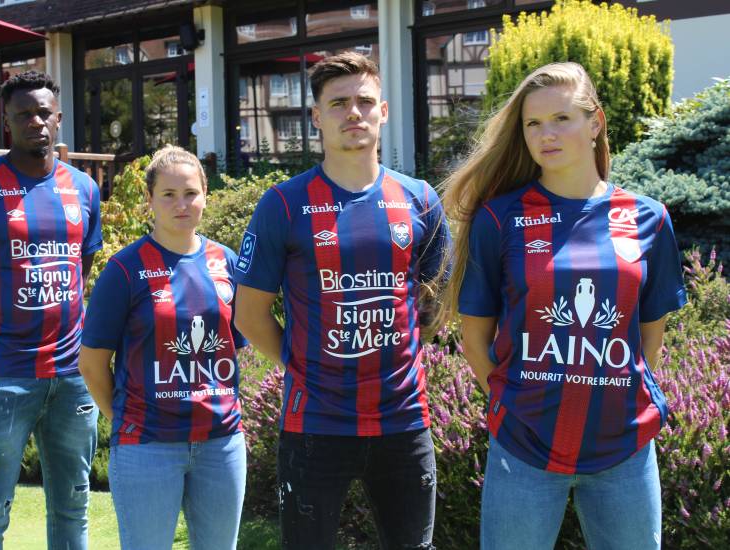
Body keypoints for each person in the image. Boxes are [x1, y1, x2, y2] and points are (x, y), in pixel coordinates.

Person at [441, 62, 687, 549]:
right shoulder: (500, 217)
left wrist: (608, 391)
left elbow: (649, 336)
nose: (544, 135)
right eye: (533, 124)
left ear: (595, 123)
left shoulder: (648, 219)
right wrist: (515, 408)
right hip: (523, 449)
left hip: (625, 449)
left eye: (561, 119)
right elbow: (474, 340)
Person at [234, 51, 450, 550]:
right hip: (316, 424)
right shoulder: (284, 203)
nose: (353, 113)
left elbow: (437, 302)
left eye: (364, 101)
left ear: (384, 111)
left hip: (404, 421)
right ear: (315, 116)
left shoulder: (419, 200)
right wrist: (301, 362)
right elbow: (249, 312)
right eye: (338, 103)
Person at [0, 71, 102, 549]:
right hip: (2, 376)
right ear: (7, 122)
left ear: (59, 118)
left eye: (44, 113)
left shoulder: (84, 190)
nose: (36, 122)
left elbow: (80, 271)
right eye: (24, 114)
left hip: (73, 376)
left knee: (73, 506)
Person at [78, 145, 247, 550]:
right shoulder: (125, 269)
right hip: (147, 448)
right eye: (168, 195)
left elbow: (233, 347)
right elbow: (91, 363)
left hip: (221, 445)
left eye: (190, 193)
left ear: (206, 195)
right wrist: (125, 415)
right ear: (150, 201)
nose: (181, 204)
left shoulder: (227, 263)